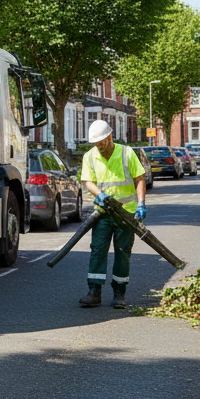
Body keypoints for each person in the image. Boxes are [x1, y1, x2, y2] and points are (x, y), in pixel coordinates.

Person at [78, 119, 148, 309]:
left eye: (103, 142)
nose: (100, 147)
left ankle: (119, 294)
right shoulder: (90, 156)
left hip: (126, 214)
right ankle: (94, 292)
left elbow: (139, 179)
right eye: (96, 144)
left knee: (122, 253)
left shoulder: (126, 153)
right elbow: (87, 181)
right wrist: (99, 194)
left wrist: (141, 204)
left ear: (110, 137)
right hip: (103, 214)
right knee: (97, 251)